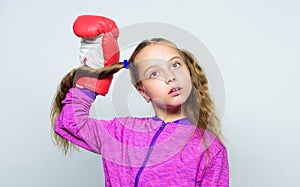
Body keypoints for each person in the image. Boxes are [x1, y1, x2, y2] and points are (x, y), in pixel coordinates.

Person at [50, 15, 229, 186]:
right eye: (154, 73)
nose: (170, 77)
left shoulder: (209, 149)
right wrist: (91, 76)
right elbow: (69, 123)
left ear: (189, 73)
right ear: (143, 91)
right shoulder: (121, 134)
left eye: (175, 65)